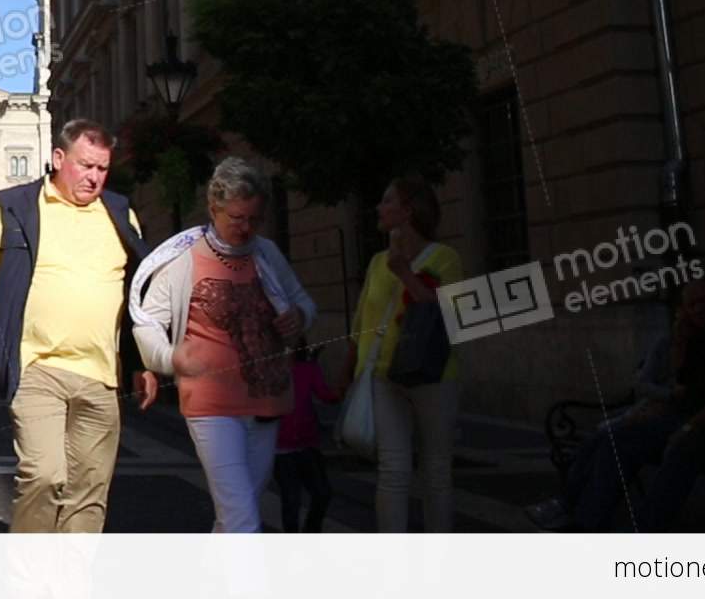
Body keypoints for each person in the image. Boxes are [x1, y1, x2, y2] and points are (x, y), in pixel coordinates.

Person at [0, 118, 157, 534]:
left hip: (101, 373)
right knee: (44, 475)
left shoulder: (120, 212)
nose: (94, 177)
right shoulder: (15, 206)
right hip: (37, 367)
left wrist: (142, 362)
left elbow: (137, 293)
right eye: (85, 166)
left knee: (89, 490)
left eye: (102, 169)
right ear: (58, 158)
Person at [130, 158, 317, 533]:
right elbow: (148, 322)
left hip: (266, 398)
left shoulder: (266, 253)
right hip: (210, 402)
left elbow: (305, 304)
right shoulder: (184, 258)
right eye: (237, 218)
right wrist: (170, 357)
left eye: (253, 219)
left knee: (239, 507)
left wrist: (298, 316)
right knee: (242, 516)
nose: (246, 228)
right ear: (214, 209)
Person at [527, 275, 705, 532]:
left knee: (682, 448)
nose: (698, 309)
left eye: (703, 301)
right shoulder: (699, 339)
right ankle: (586, 521)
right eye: (691, 305)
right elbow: (683, 385)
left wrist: (687, 427)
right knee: (615, 438)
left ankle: (645, 530)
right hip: (690, 420)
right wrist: (680, 342)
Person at [347, 176, 464, 532]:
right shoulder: (377, 261)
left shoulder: (446, 258)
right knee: (393, 470)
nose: (378, 208)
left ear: (408, 210)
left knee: (436, 472)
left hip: (434, 375)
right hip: (385, 375)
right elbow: (362, 321)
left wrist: (404, 272)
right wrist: (349, 375)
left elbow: (447, 313)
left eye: (387, 201)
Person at [274, 340, 341, 533]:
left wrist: (342, 390)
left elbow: (325, 395)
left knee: (322, 493)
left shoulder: (308, 368)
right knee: (291, 499)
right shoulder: (270, 368)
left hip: (307, 444)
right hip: (280, 448)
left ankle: (311, 531)